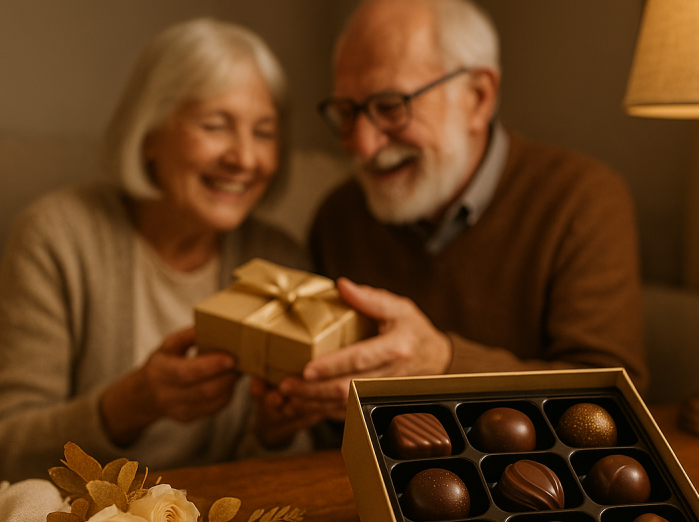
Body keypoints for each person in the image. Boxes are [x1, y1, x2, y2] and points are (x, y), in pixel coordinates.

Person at [0, 18, 309, 488]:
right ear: (149, 134)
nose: (245, 158)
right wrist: (128, 405)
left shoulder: (278, 260)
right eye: (215, 125)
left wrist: (275, 433)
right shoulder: (57, 235)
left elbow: (292, 468)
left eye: (264, 132)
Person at [260, 0, 648, 427]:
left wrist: (445, 362)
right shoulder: (340, 216)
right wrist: (287, 413)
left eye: (390, 106)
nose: (363, 146)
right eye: (348, 113)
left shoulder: (581, 201)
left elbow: (612, 407)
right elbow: (330, 425)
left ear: (478, 98)